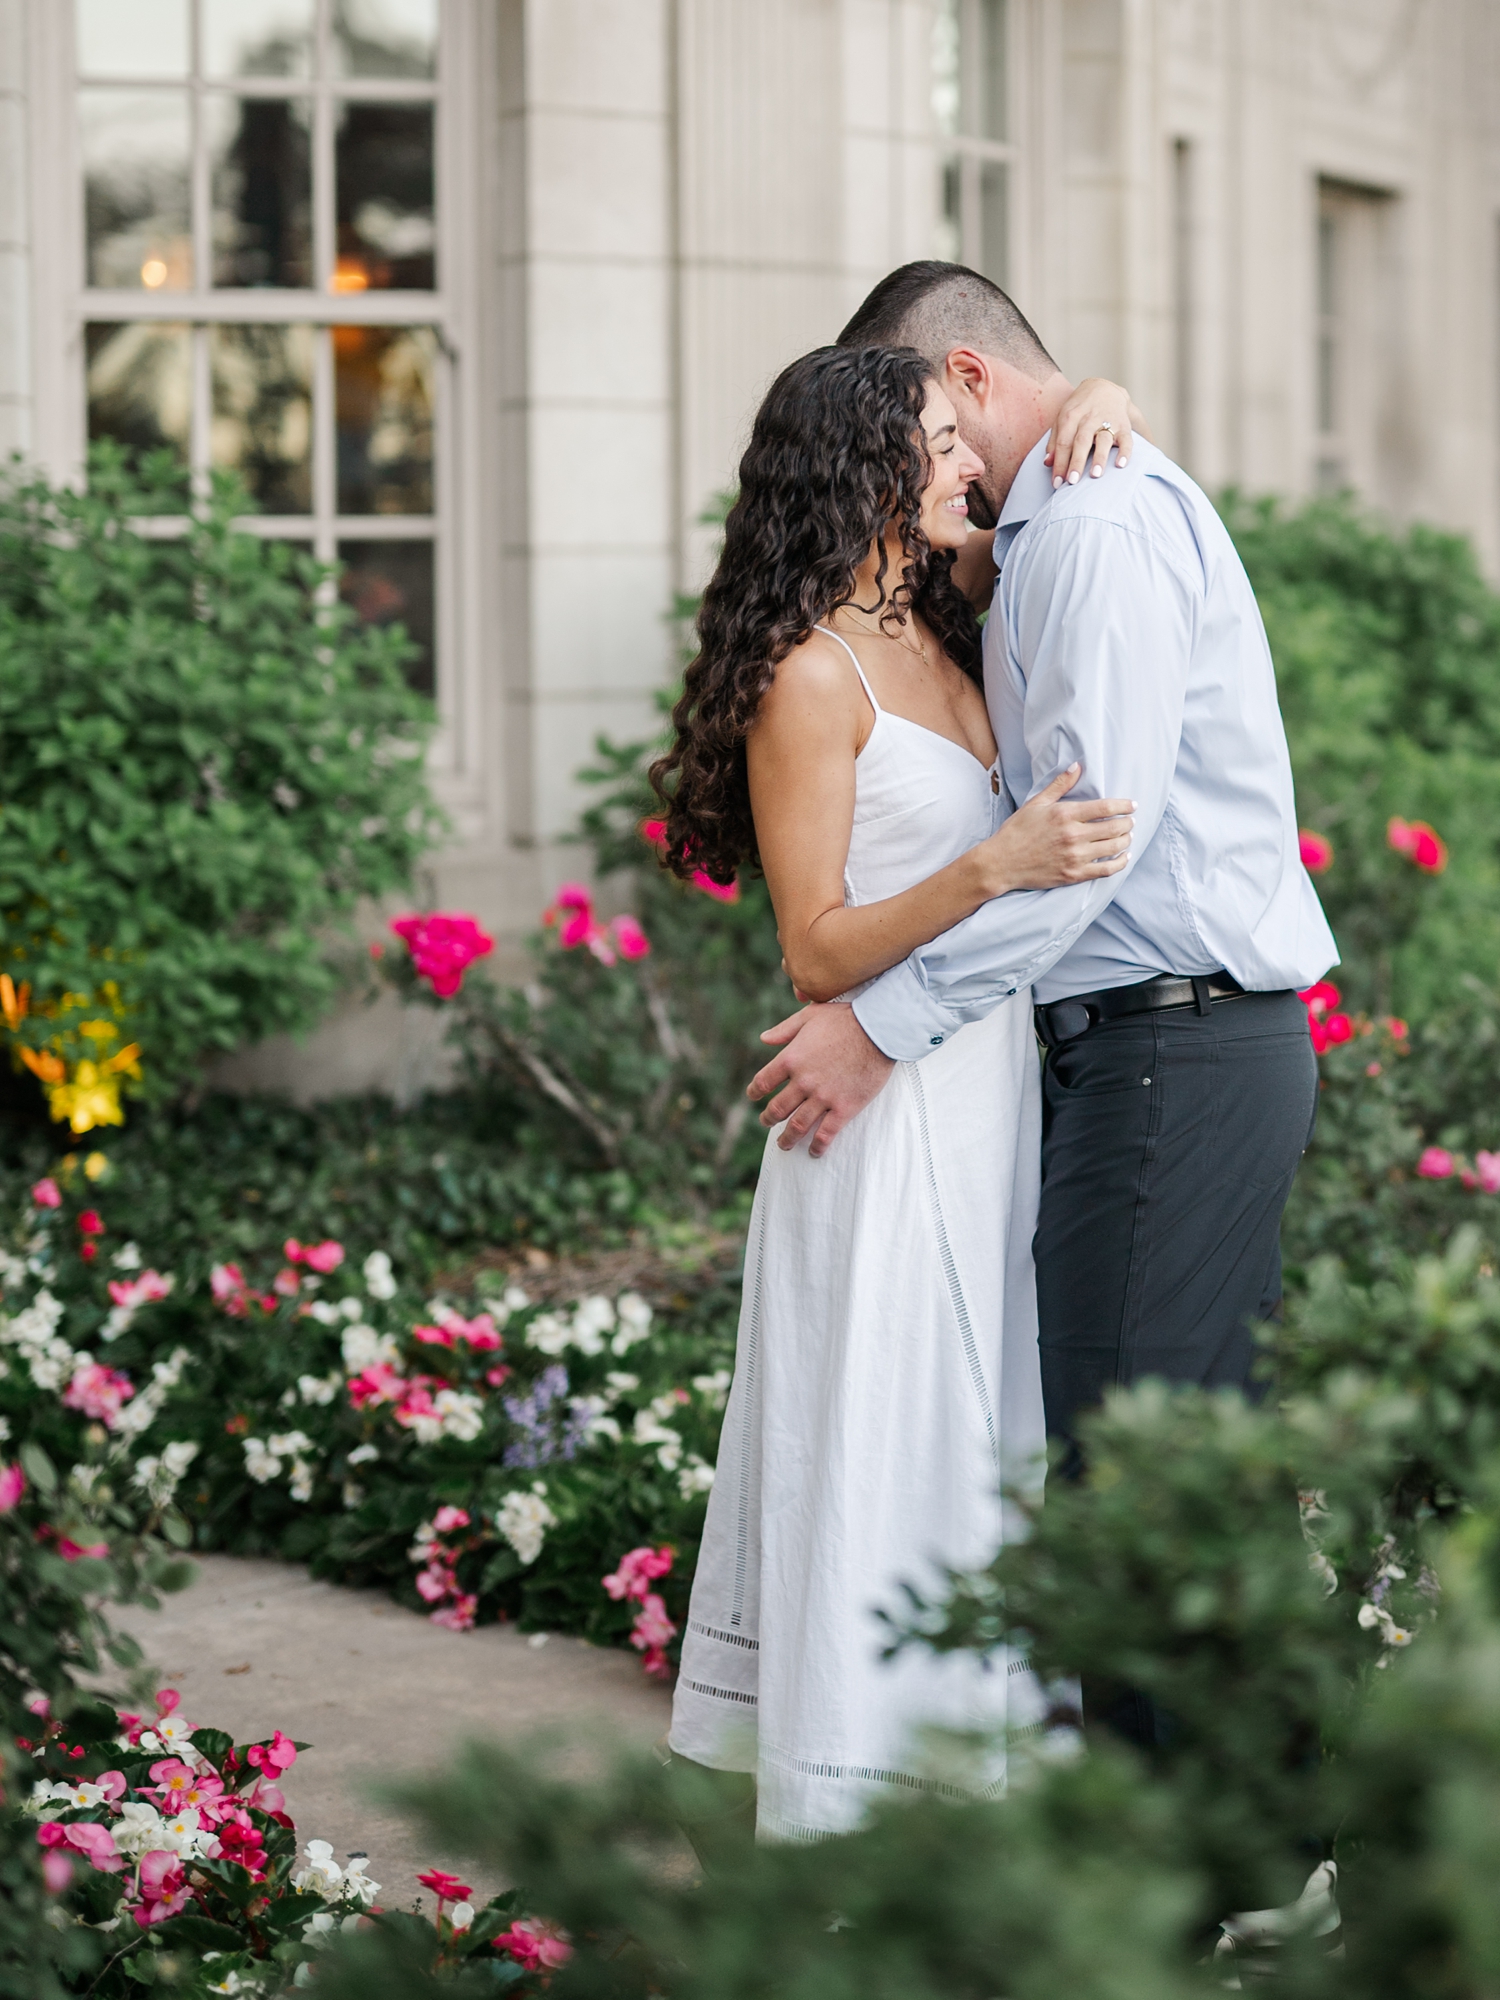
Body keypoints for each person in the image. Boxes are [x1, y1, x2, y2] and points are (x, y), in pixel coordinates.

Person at [747, 262, 1338, 1746]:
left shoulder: (1086, 529)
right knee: (1163, 1465)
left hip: (1169, 1041)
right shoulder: (1017, 546)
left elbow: (1081, 858)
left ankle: (1186, 1896)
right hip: (1126, 1053)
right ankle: (1246, 1859)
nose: (924, 453)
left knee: (1131, 1480)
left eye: (926, 416)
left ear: (964, 376)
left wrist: (877, 1022)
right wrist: (1092, 395)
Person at [655, 342, 1141, 1843]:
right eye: (935, 445)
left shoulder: (954, 615)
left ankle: (973, 1786)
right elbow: (814, 951)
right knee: (887, 1437)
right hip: (875, 1118)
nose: (963, 465)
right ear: (858, 471)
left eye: (959, 438)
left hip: (988, 1095)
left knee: (979, 1435)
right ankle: (854, 1809)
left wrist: (1099, 404)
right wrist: (989, 864)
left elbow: (1076, 477)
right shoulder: (811, 670)